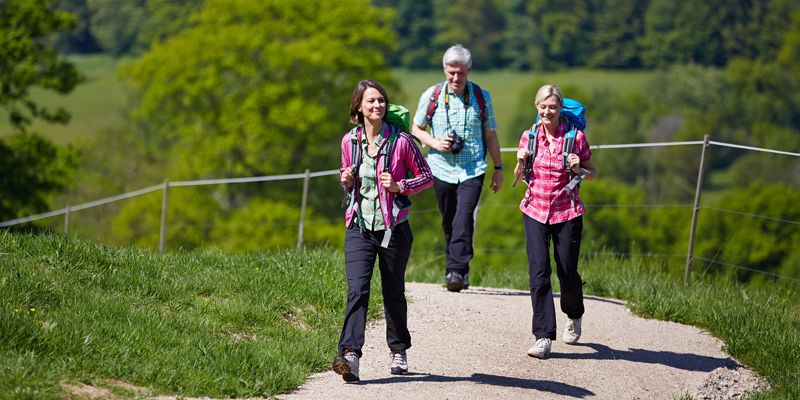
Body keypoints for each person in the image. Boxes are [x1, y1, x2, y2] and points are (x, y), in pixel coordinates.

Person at [332, 79, 433, 382]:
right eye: (371, 101)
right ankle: (350, 355)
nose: (378, 106)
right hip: (359, 228)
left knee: (393, 292)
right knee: (357, 290)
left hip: (394, 230)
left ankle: (398, 349)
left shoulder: (401, 141)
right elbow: (346, 177)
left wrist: (401, 185)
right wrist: (346, 179)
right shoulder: (349, 142)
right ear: (358, 108)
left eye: (381, 101)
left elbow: (427, 176)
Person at [513, 84, 597, 359]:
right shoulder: (530, 136)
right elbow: (520, 174)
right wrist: (519, 161)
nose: (547, 111)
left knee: (567, 272)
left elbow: (592, 173)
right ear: (536, 107)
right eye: (543, 106)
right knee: (539, 273)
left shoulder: (576, 138)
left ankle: (574, 314)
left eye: (553, 107)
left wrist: (578, 168)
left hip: (567, 211)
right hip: (535, 209)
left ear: (560, 109)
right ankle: (543, 336)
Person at [411, 44, 504, 293]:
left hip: (473, 168)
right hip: (440, 168)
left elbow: (491, 134)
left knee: (464, 218)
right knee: (449, 221)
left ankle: (457, 271)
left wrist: (499, 167)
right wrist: (435, 144)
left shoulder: (481, 97)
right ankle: (455, 266)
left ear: (469, 70)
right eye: (451, 72)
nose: (455, 78)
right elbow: (416, 128)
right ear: (444, 70)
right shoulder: (431, 96)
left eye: (460, 73)